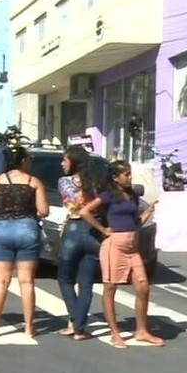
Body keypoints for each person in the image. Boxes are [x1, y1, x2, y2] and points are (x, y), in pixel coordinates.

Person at [80, 161, 164, 348]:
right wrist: (103, 229)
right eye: (126, 174)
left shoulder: (132, 196)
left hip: (132, 248)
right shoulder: (108, 195)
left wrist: (150, 210)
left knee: (143, 287)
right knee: (111, 288)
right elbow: (85, 211)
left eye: (129, 174)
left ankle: (142, 330)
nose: (130, 177)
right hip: (114, 246)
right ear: (115, 178)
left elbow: (136, 223)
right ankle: (115, 333)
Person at [0, 146, 48, 338]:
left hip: (1, 229)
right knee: (26, 281)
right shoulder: (33, 181)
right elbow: (43, 210)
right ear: (23, 161)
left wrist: (1, 214)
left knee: (1, 281)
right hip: (27, 229)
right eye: (29, 158)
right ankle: (29, 327)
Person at [56, 146, 105, 341]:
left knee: (65, 279)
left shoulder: (64, 181)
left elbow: (69, 203)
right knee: (86, 284)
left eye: (65, 160)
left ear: (73, 162)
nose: (62, 163)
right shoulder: (97, 182)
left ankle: (76, 320)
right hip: (93, 230)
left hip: (74, 230)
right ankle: (80, 329)